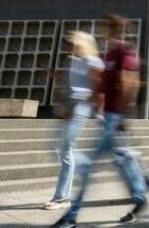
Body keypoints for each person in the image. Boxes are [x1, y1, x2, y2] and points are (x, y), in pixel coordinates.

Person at [52, 14, 147, 228]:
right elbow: (101, 87)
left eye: (103, 27)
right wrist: (99, 109)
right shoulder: (109, 54)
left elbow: (131, 83)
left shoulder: (125, 50)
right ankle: (141, 198)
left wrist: (123, 115)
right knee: (125, 162)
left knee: (89, 165)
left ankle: (70, 218)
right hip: (108, 118)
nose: (100, 31)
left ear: (112, 28)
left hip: (116, 118)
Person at [43, 32, 104, 211]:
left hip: (81, 106)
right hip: (67, 105)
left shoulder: (93, 61)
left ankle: (61, 198)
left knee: (66, 149)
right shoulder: (74, 60)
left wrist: (100, 111)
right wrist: (55, 74)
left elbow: (99, 87)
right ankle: (84, 166)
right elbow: (70, 78)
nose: (71, 45)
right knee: (55, 148)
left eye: (74, 43)